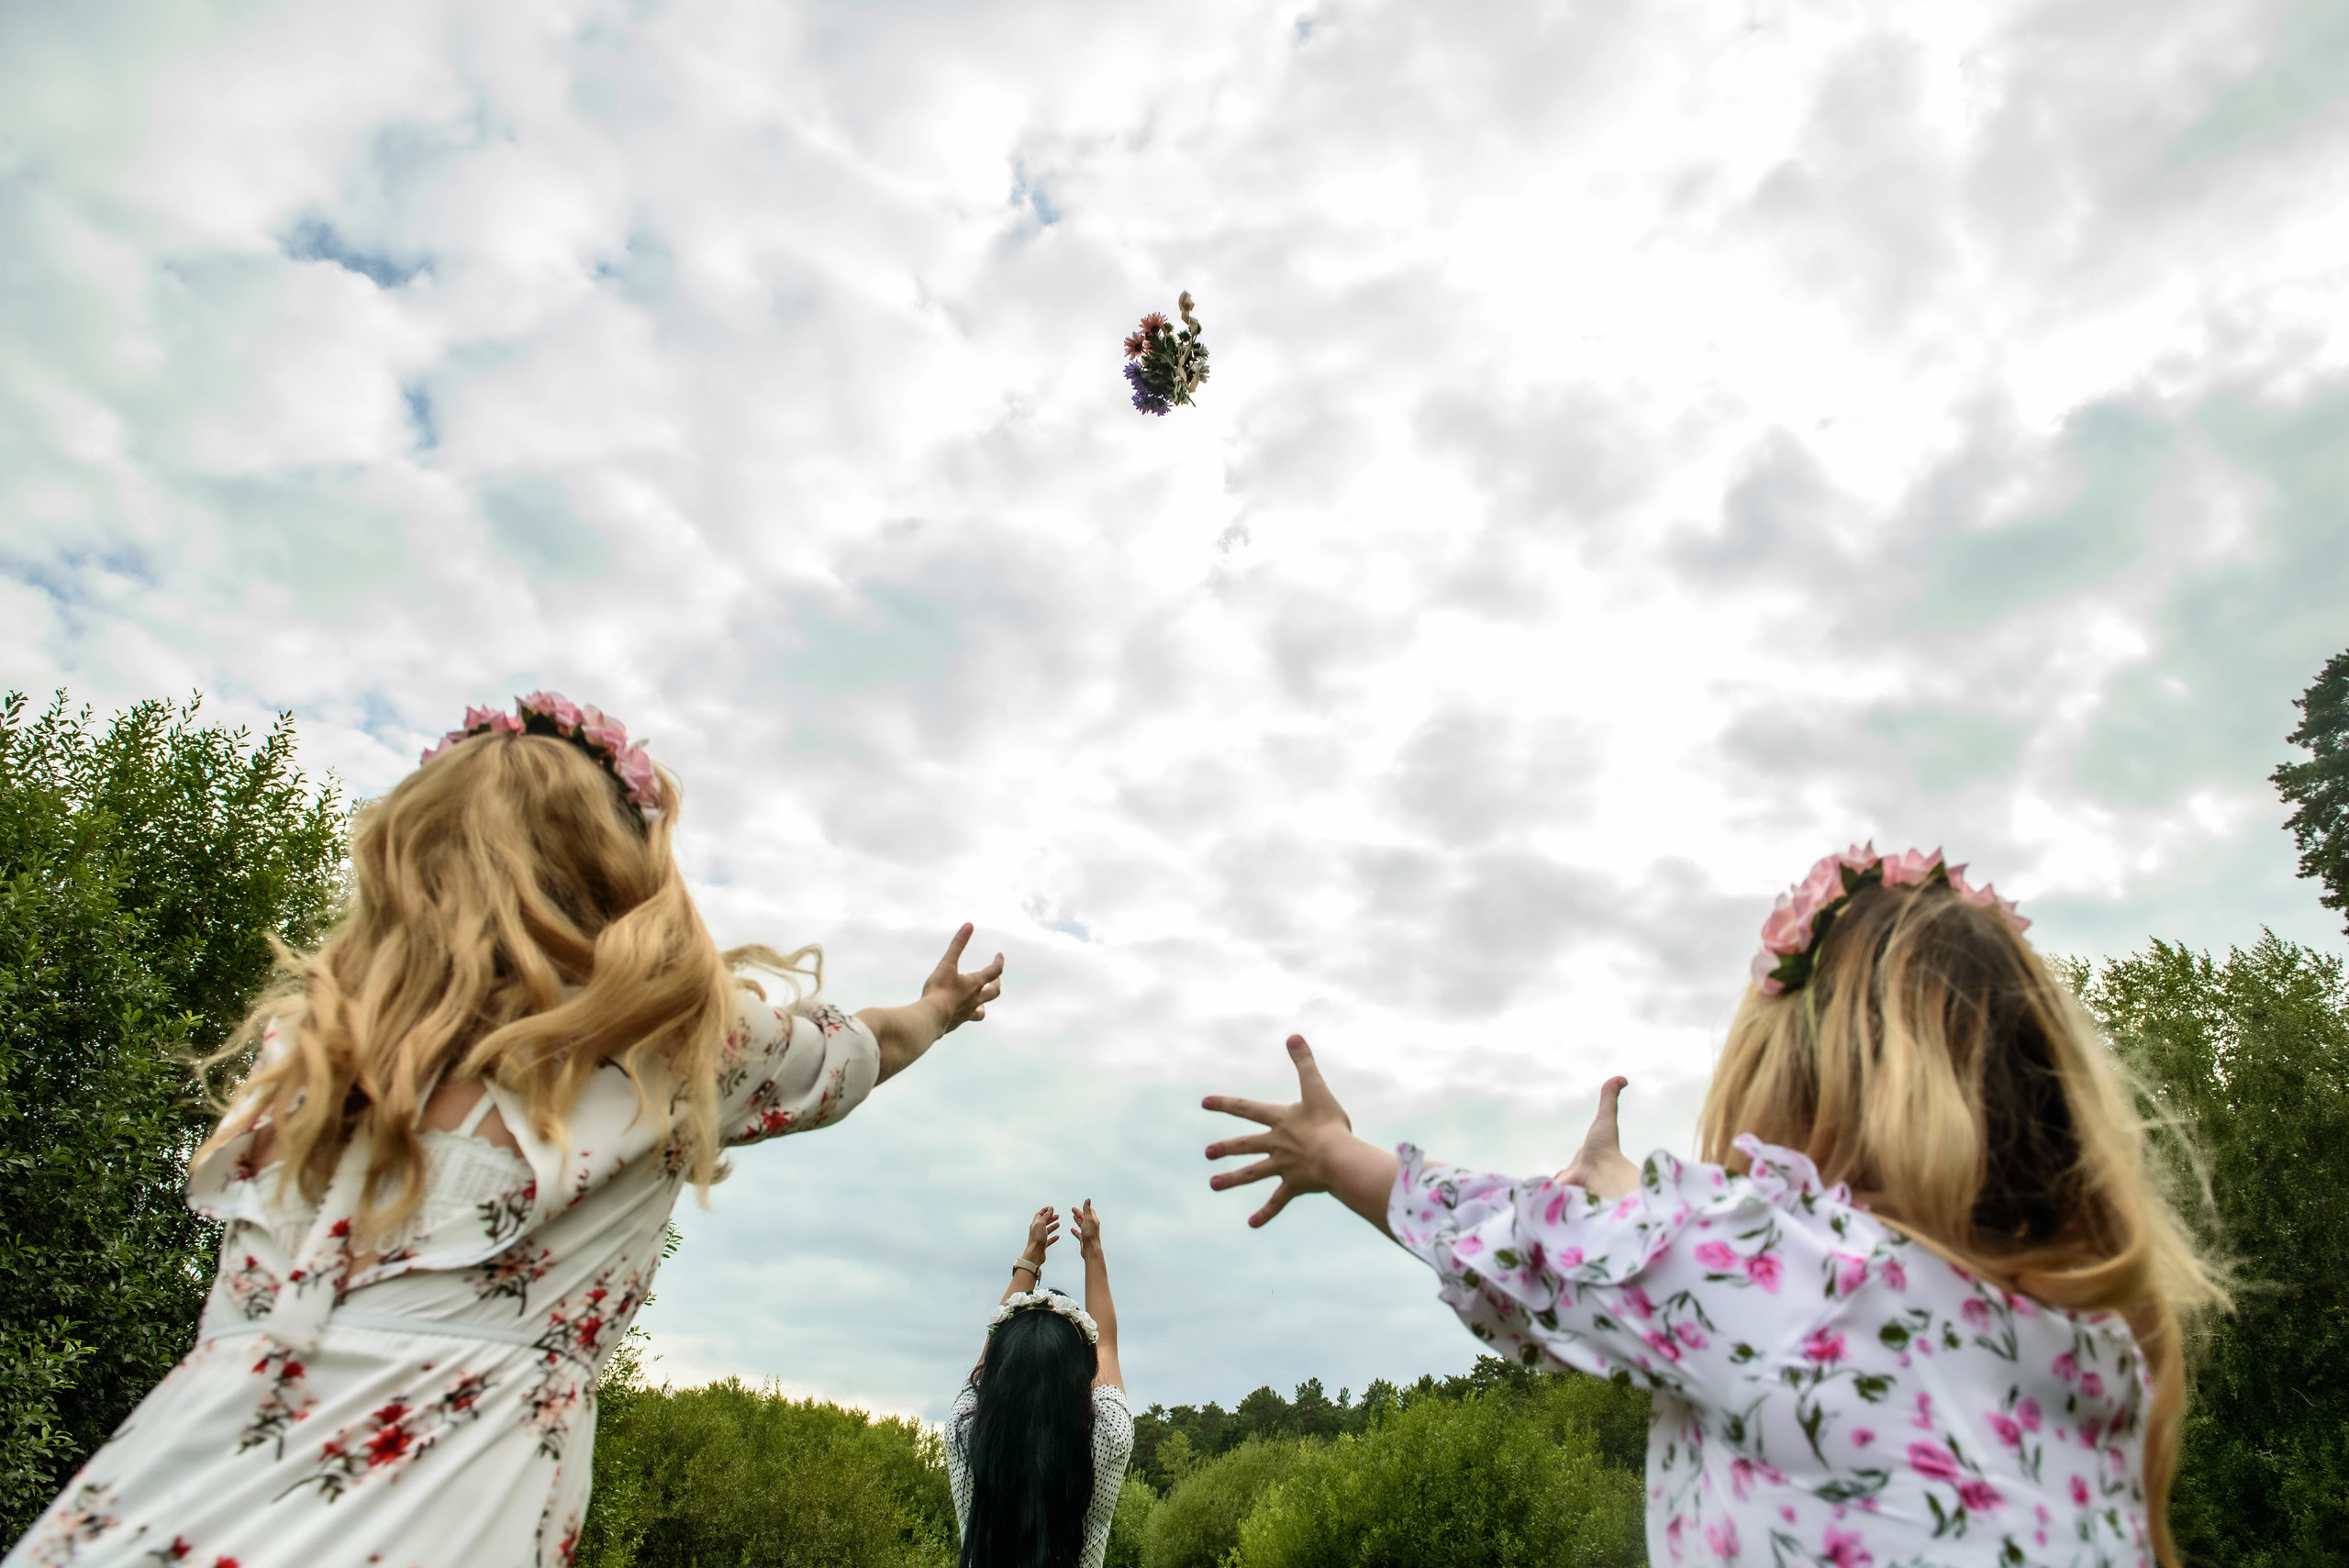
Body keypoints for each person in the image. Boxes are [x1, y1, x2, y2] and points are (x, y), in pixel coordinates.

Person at [4, 693, 1004, 1568]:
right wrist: (941, 1008)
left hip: (133, 1513)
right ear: (622, 866)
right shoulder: (675, 1045)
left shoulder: (304, 1052)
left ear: (411, 855)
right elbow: (864, 1048)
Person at [1203, 844, 2225, 1568]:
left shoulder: (1783, 1276)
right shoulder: (2104, 1343)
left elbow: (1519, 1245)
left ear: (1790, 1076)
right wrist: (1619, 1187)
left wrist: (1334, 1154)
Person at [946, 1200, 1130, 1568]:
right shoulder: (1107, 1439)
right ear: (1081, 1371)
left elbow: (987, 1362)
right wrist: (1093, 1251)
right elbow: (1106, 1346)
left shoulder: (965, 1433)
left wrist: (1030, 1258)